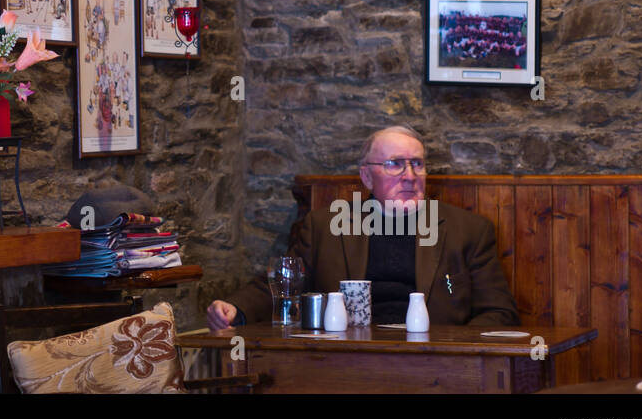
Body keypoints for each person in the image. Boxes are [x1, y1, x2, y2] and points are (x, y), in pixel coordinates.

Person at [207, 125, 519, 329]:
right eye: (395, 164)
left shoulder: (468, 230)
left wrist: (454, 350)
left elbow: (499, 313)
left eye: (418, 164)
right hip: (347, 358)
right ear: (367, 177)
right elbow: (284, 283)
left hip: (435, 361)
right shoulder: (325, 226)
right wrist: (236, 308)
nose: (410, 175)